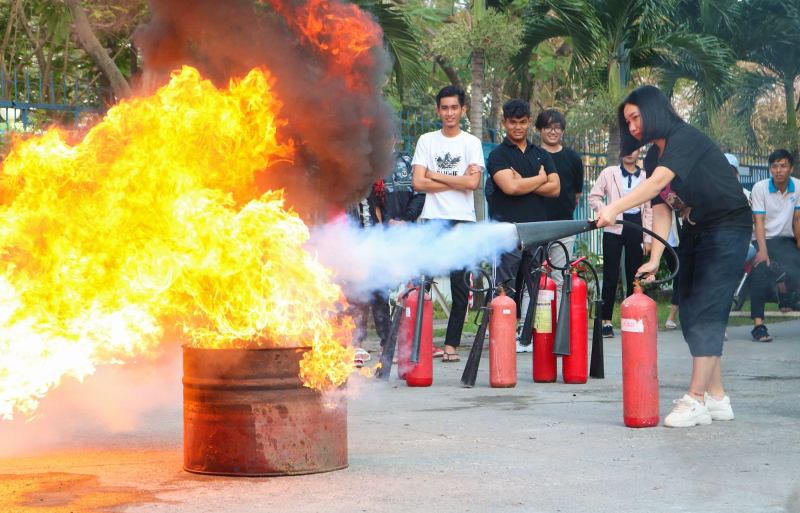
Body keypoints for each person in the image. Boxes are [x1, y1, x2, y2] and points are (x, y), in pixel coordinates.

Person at [595, 85, 752, 428]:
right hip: (696, 230)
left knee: (708, 309)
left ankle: (695, 399)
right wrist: (655, 256)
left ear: (653, 111)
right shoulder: (653, 156)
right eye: (628, 121)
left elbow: (656, 184)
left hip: (728, 226)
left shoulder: (685, 137)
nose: (633, 127)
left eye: (636, 117)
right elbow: (663, 206)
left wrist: (616, 207)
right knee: (692, 311)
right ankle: (718, 398)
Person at [411, 85, 484, 362]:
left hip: (463, 220)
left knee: (459, 285)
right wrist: (457, 181)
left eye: (455, 107)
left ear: (463, 110)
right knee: (422, 282)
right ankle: (417, 342)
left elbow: (473, 183)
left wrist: (435, 175)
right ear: (438, 110)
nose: (450, 113)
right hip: (433, 220)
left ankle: (451, 345)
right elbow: (419, 182)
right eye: (445, 108)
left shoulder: (471, 143)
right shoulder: (427, 140)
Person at [485, 99, 560, 353]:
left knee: (539, 287)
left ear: (529, 123)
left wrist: (524, 182)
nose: (518, 127)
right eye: (512, 122)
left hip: (537, 230)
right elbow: (510, 187)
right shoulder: (497, 155)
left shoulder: (542, 154)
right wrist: (539, 179)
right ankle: (499, 336)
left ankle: (534, 337)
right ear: (504, 122)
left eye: (523, 122)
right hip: (506, 231)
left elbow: (555, 188)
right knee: (503, 287)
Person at [588, 149, 653, 337]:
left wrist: (647, 238)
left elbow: (649, 209)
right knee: (609, 275)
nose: (629, 153)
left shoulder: (646, 176)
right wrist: (609, 211)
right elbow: (593, 197)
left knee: (635, 273)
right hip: (613, 225)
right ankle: (607, 322)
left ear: (639, 151)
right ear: (619, 152)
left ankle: (632, 318)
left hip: (636, 226)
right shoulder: (609, 173)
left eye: (633, 149)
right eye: (625, 149)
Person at [748, 149, 800, 342]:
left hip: (785, 240)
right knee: (760, 270)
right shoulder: (760, 188)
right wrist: (762, 252)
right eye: (774, 166)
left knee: (797, 264)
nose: (778, 170)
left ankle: (785, 291)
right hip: (762, 238)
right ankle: (758, 325)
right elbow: (759, 222)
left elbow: (797, 220)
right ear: (770, 169)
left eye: (783, 166)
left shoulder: (798, 187)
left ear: (791, 168)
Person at [536, 109, 584, 313]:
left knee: (559, 277)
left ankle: (558, 327)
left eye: (557, 128)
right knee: (534, 276)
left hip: (563, 225)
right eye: (548, 127)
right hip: (535, 224)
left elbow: (577, 193)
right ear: (539, 130)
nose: (553, 131)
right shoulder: (533, 155)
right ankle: (530, 328)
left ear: (563, 131)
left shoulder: (573, 157)